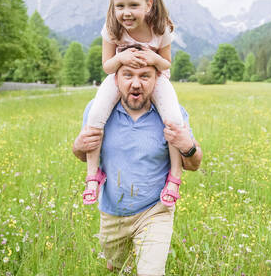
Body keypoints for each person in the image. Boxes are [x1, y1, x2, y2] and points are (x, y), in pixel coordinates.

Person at [73, 64, 202, 275]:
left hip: (155, 210)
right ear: (116, 79)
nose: (136, 83)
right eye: (128, 75)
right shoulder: (98, 110)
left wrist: (188, 146)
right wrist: (78, 146)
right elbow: (82, 154)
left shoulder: (172, 113)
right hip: (112, 212)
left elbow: (194, 164)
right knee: (116, 269)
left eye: (144, 76)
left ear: (156, 80)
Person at [82, 0, 185, 207]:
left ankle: (174, 178)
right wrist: (122, 57)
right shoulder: (111, 28)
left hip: (155, 78)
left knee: (174, 120)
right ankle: (92, 176)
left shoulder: (160, 28)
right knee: (95, 115)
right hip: (120, 74)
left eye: (133, 6)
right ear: (113, 7)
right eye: (120, 6)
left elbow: (166, 64)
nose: (126, 13)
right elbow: (107, 66)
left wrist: (152, 57)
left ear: (148, 5)